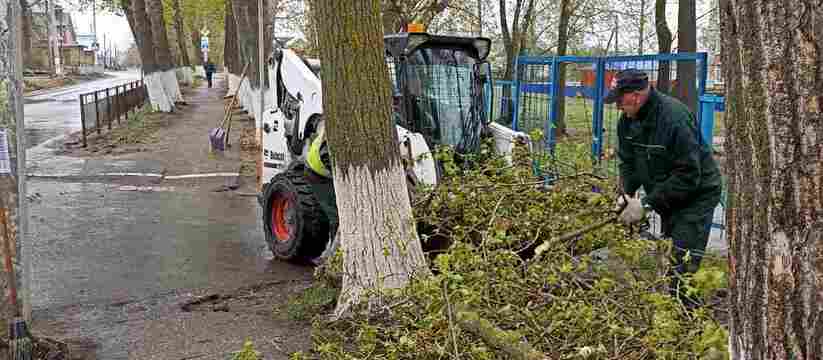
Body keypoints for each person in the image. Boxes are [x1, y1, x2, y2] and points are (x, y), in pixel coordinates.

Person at [606, 69, 722, 308]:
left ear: (636, 96)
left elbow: (689, 175)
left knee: (682, 266)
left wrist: (646, 205)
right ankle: (679, 308)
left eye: (620, 99)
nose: (617, 106)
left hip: (696, 195)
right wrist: (627, 195)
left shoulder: (674, 118)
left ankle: (690, 324)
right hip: (668, 193)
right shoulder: (627, 123)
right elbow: (628, 162)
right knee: (672, 255)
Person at [303, 122, 339, 265]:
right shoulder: (328, 147)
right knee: (335, 215)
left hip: (324, 172)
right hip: (317, 176)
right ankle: (331, 256)